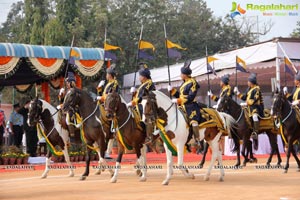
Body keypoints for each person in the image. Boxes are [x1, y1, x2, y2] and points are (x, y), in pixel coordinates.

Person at [168, 60, 202, 147]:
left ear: (185, 74)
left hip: (191, 106)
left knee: (194, 122)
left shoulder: (193, 82)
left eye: (181, 73)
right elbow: (180, 95)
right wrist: (172, 90)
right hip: (182, 106)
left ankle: (197, 139)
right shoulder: (184, 83)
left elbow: (190, 97)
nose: (180, 75)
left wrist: (179, 100)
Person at [127, 63, 156, 143]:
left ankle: (149, 136)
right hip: (139, 104)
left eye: (140, 76)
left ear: (144, 76)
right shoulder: (143, 84)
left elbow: (144, 95)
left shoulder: (149, 83)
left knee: (146, 117)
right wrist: (134, 92)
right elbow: (139, 95)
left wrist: (133, 102)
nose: (139, 77)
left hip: (148, 104)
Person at [96, 65, 119, 159]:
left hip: (112, 104)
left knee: (112, 124)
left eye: (107, 73)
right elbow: (102, 95)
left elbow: (110, 96)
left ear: (110, 75)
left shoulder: (114, 83)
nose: (106, 75)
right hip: (104, 104)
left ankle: (114, 128)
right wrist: (99, 89)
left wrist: (101, 97)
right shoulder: (108, 83)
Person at [234, 73, 264, 139]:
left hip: (255, 108)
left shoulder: (257, 89)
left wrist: (247, 103)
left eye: (248, 81)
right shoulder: (249, 89)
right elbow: (244, 97)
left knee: (255, 117)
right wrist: (238, 93)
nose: (247, 82)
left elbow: (255, 100)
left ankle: (255, 132)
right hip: (249, 107)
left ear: (251, 82)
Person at [58, 71, 77, 140]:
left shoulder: (73, 91)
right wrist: (61, 96)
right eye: (66, 83)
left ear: (72, 83)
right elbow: (64, 101)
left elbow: (70, 102)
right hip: (66, 108)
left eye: (68, 83)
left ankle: (72, 134)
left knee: (68, 117)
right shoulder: (67, 91)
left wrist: (63, 105)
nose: (67, 84)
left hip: (73, 109)